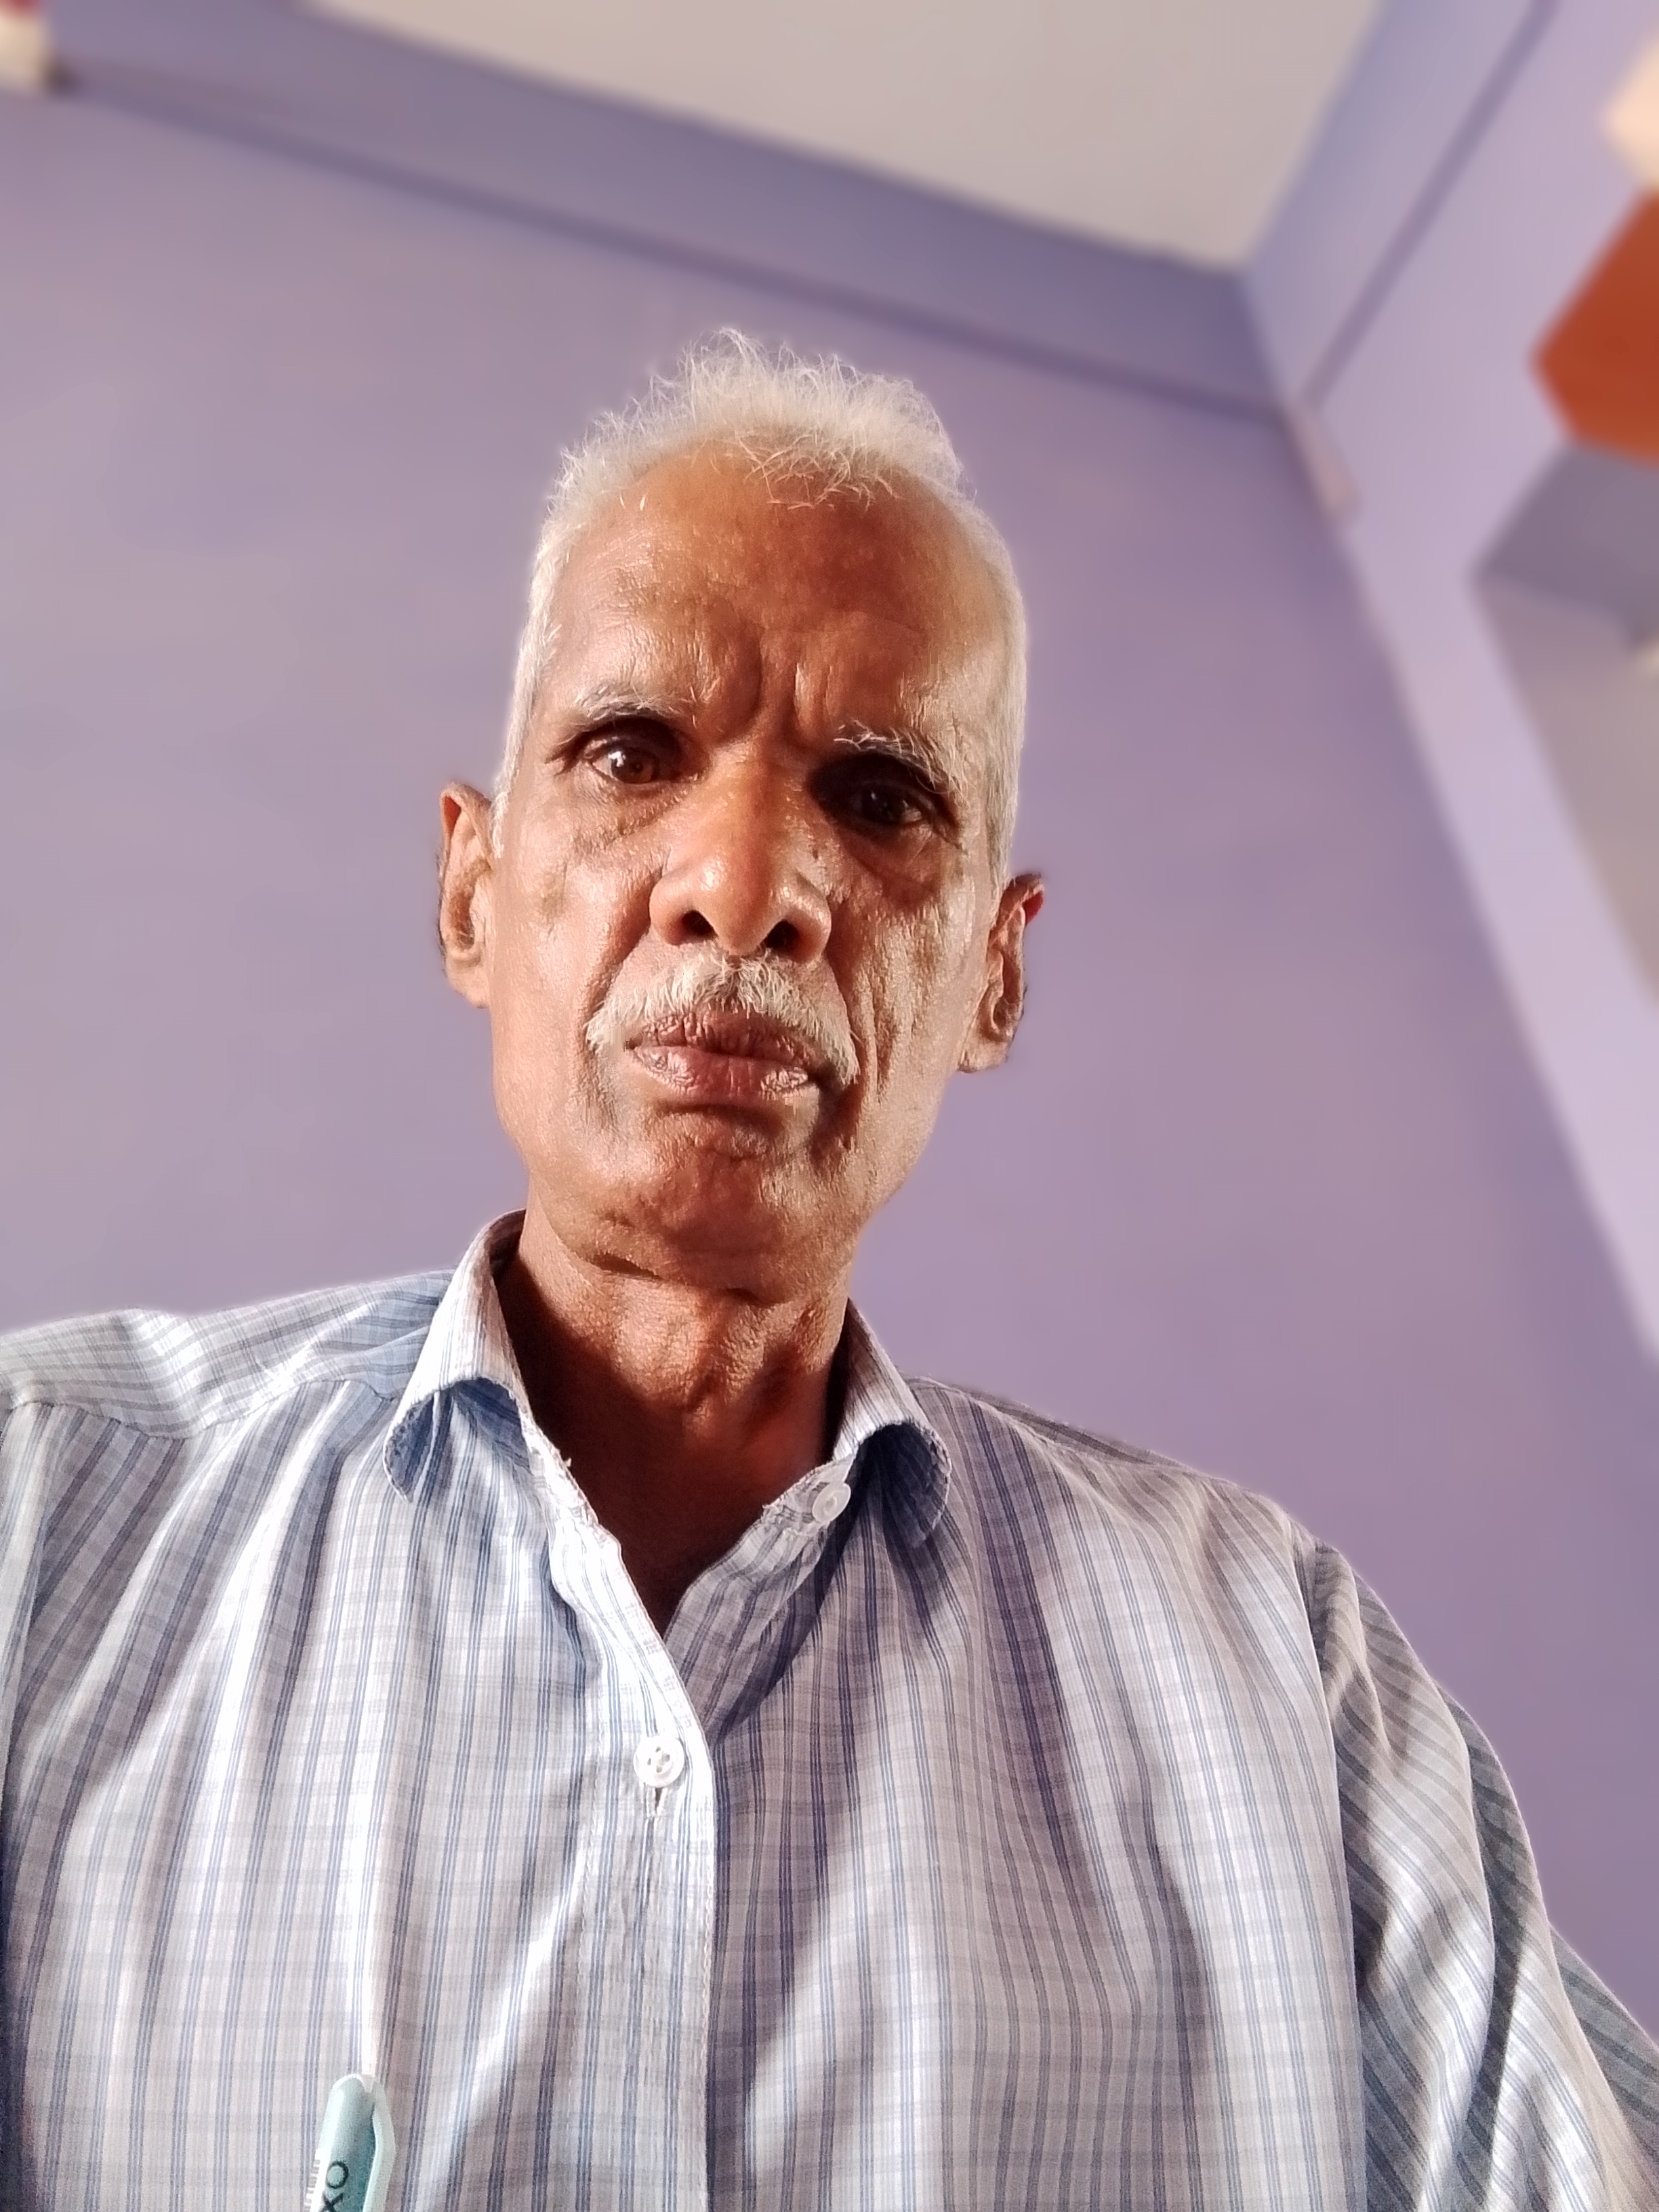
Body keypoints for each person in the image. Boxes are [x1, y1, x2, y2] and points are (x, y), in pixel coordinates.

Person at [1, 335, 1655, 2212]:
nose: (745, 881)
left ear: (995, 978)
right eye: (632, 753)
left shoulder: (1284, 1684)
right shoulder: (44, 1520)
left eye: (879, 796)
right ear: (472, 891)